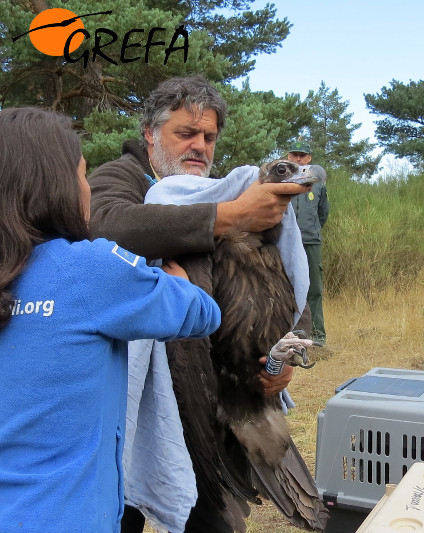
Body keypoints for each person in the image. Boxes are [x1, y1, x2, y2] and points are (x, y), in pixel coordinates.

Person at [88, 76, 311, 533]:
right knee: (121, 514)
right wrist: (230, 216)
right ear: (150, 134)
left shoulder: (224, 186)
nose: (199, 147)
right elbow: (104, 225)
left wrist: (282, 356)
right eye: (185, 133)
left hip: (215, 395)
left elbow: (281, 272)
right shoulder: (121, 177)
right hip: (133, 401)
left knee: (212, 521)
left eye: (208, 136)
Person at [0, 107, 221, 532]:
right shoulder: (90, 270)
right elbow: (201, 314)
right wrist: (184, 283)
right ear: (55, 187)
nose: (88, 187)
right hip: (66, 516)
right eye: (83, 174)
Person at [287, 140, 329, 345]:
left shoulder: (318, 182)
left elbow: (323, 213)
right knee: (288, 288)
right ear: (288, 157)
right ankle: (292, 335)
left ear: (309, 158)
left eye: (302, 155)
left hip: (311, 242)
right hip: (287, 243)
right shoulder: (283, 180)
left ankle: (318, 335)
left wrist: (311, 229)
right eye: (294, 155)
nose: (298, 158)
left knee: (315, 289)